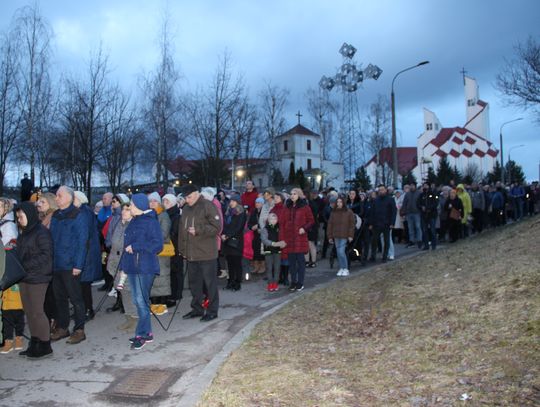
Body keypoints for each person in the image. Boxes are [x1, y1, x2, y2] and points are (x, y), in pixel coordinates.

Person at [119, 193, 163, 350]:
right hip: (132, 266)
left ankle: (142, 334)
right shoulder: (134, 221)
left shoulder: (151, 222)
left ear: (138, 205)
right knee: (138, 300)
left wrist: (137, 247)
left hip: (145, 267)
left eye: (131, 204)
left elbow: (158, 245)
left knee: (140, 300)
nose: (129, 207)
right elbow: (126, 246)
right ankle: (147, 332)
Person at [13, 202, 53, 358]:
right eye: (17, 217)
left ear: (29, 215)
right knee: (29, 312)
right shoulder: (23, 233)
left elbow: (46, 256)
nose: (19, 219)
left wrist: (24, 265)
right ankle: (35, 342)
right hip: (25, 277)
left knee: (37, 311)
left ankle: (45, 344)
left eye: (21, 216)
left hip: (39, 277)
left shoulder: (41, 232)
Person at [49, 186, 88, 345]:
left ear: (69, 198)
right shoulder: (56, 215)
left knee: (76, 298)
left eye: (59, 195)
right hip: (56, 264)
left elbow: (82, 242)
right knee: (60, 299)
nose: (56, 198)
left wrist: (78, 265)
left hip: (70, 264)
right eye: (56, 195)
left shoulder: (78, 215)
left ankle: (79, 330)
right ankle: (63, 327)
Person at [178, 184, 221, 322]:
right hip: (191, 253)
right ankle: (197, 309)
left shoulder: (207, 205)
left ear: (197, 194)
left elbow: (216, 227)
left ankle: (212, 310)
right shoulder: (185, 209)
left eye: (189, 197)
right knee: (194, 284)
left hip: (207, 253)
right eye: (185, 197)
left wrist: (198, 229)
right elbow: (181, 231)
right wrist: (182, 250)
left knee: (210, 283)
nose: (187, 200)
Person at [73, 191, 102, 321]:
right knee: (80, 285)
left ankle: (88, 310)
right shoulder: (84, 211)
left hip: (87, 253)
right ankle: (82, 310)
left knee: (84, 285)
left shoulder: (83, 212)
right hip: (86, 251)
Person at [109, 203, 137, 332]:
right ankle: (129, 318)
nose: (124, 212)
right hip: (116, 261)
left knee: (130, 291)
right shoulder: (120, 224)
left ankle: (136, 319)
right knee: (123, 292)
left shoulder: (135, 226)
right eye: (123, 210)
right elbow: (114, 244)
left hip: (127, 263)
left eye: (127, 210)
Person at [279, 188, 314, 292]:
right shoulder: (287, 207)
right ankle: (293, 281)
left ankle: (300, 282)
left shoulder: (305, 207)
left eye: (295, 194)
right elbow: (282, 221)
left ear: (299, 195)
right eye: (291, 194)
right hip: (289, 238)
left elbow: (311, 220)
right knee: (292, 262)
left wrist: (304, 228)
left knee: (301, 262)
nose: (292, 195)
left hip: (300, 237)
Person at [148, 192, 171, 316]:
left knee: (162, 278)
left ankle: (162, 304)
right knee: (153, 278)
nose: (152, 203)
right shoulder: (147, 215)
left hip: (161, 251)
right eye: (150, 201)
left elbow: (164, 233)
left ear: (159, 202)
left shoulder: (163, 215)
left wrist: (150, 240)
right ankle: (153, 304)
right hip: (150, 252)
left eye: (154, 201)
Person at [221, 194, 246, 291]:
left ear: (238, 202)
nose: (231, 202)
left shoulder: (241, 213)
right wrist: (223, 234)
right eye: (230, 201)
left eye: (233, 201)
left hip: (236, 242)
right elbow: (224, 225)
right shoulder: (228, 213)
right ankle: (230, 282)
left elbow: (238, 228)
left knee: (237, 263)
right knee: (230, 263)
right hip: (227, 241)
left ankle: (237, 283)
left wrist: (227, 235)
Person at [162, 193, 183, 308]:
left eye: (167, 201)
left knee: (176, 271)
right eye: (163, 201)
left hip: (175, 246)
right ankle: (170, 294)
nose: (164, 204)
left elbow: (175, 232)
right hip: (168, 247)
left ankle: (176, 295)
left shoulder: (176, 215)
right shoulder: (166, 215)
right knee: (170, 272)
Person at [327, 196, 355, 276]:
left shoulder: (349, 212)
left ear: (343, 203)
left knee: (341, 252)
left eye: (340, 202)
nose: (339, 203)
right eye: (337, 202)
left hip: (344, 235)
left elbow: (352, 225)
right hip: (336, 235)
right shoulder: (333, 212)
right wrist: (329, 236)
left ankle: (345, 268)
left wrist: (350, 235)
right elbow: (330, 224)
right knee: (339, 253)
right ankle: (341, 268)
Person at [368, 185, 397, 263]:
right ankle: (373, 256)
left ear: (386, 190)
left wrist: (392, 223)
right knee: (374, 241)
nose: (381, 191)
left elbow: (394, 212)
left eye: (382, 190)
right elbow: (372, 212)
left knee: (386, 241)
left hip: (386, 224)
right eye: (380, 190)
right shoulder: (376, 200)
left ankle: (385, 256)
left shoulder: (390, 199)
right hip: (376, 224)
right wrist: (371, 223)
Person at [260, 212, 285, 291]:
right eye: (271, 219)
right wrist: (274, 243)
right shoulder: (265, 229)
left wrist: (283, 242)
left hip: (277, 251)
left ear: (277, 220)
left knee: (277, 268)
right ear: (268, 220)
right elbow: (264, 240)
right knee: (269, 267)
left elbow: (283, 237)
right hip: (268, 251)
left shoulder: (279, 228)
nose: (273, 220)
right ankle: (270, 283)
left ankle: (275, 283)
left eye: (275, 219)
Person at [417, 183, 439, 250]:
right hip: (423, 215)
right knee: (424, 230)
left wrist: (428, 208)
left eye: (426, 185)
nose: (425, 186)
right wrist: (421, 207)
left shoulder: (433, 194)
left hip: (431, 214)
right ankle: (426, 245)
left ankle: (434, 245)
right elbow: (417, 203)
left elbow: (436, 202)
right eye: (424, 185)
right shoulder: (421, 195)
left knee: (432, 230)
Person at [248, 197, 265, 274]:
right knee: (255, 250)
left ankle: (262, 266)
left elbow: (266, 222)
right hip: (254, 234)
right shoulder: (253, 211)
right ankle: (256, 266)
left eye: (259, 203)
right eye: (256, 203)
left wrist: (258, 226)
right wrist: (251, 227)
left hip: (263, 234)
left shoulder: (265, 212)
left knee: (262, 251)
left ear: (262, 204)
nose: (257, 204)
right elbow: (249, 223)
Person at [402, 183, 422, 248]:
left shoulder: (419, 193)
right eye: (410, 185)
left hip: (417, 213)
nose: (411, 187)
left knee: (418, 227)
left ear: (415, 186)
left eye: (413, 185)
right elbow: (404, 203)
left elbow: (421, 202)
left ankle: (419, 240)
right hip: (409, 213)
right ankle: (412, 241)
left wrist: (420, 209)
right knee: (410, 228)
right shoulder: (407, 194)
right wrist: (404, 212)